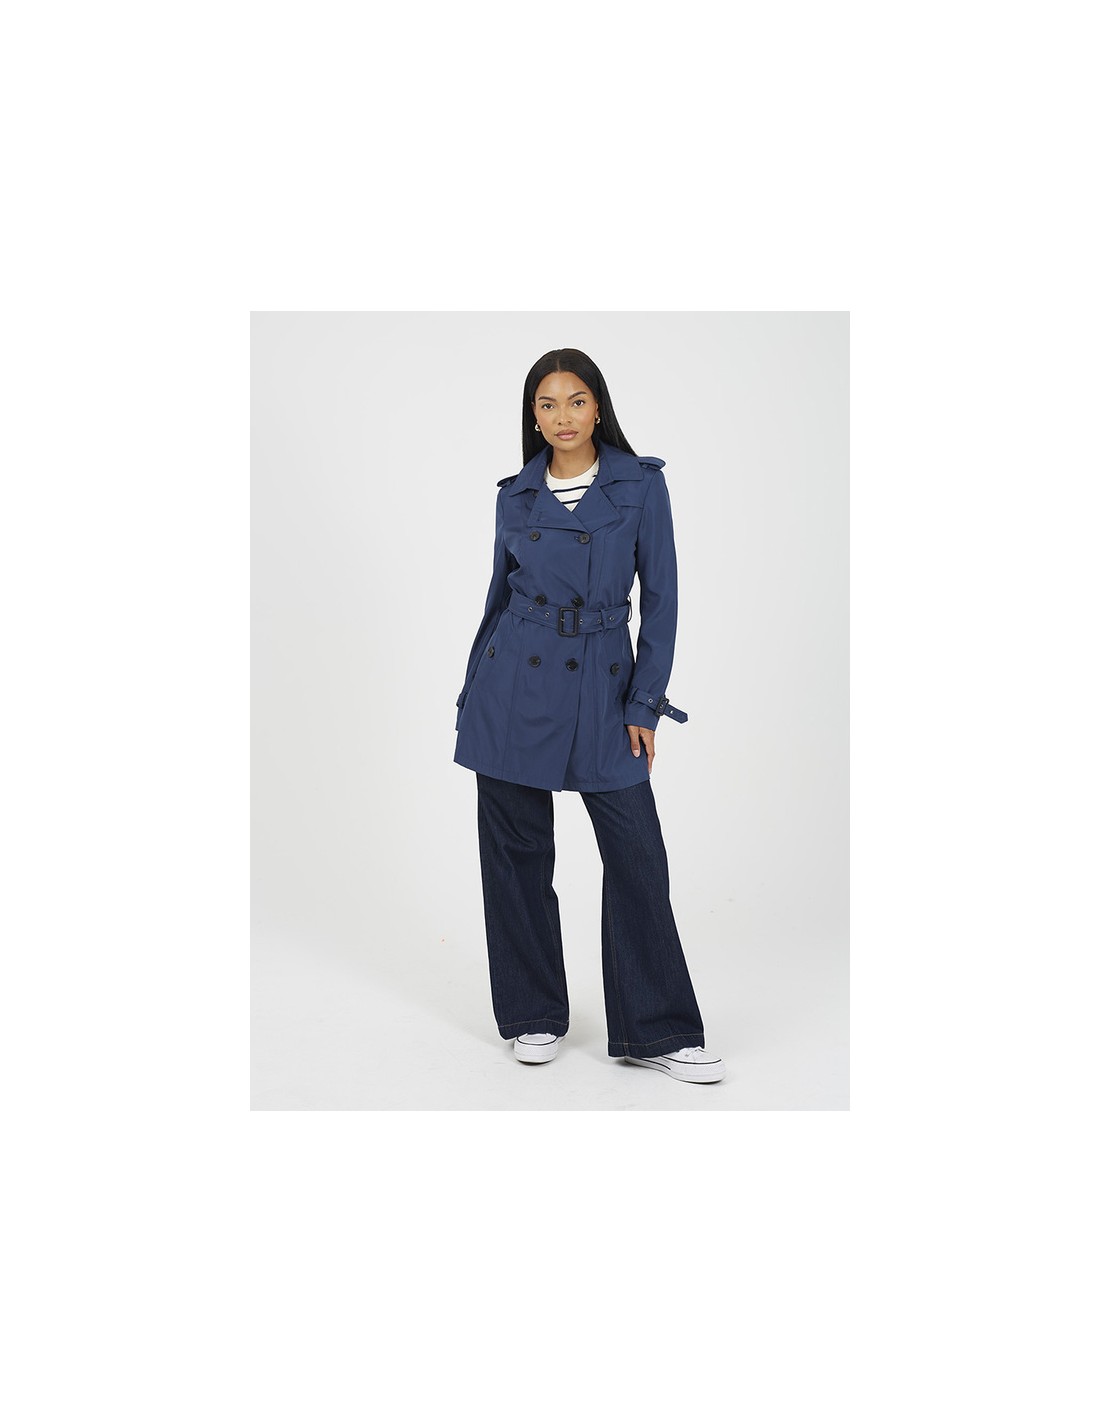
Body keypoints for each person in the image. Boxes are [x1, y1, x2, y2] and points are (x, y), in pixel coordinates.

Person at [453, 348, 725, 1085]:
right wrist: (472, 696)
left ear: (598, 406)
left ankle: (657, 1030)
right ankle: (532, 1013)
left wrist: (645, 703)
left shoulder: (640, 485)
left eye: (576, 401)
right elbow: (497, 599)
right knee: (516, 856)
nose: (563, 417)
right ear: (533, 416)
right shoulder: (516, 495)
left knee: (637, 857)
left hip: (606, 687)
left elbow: (662, 601)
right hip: (513, 687)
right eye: (547, 405)